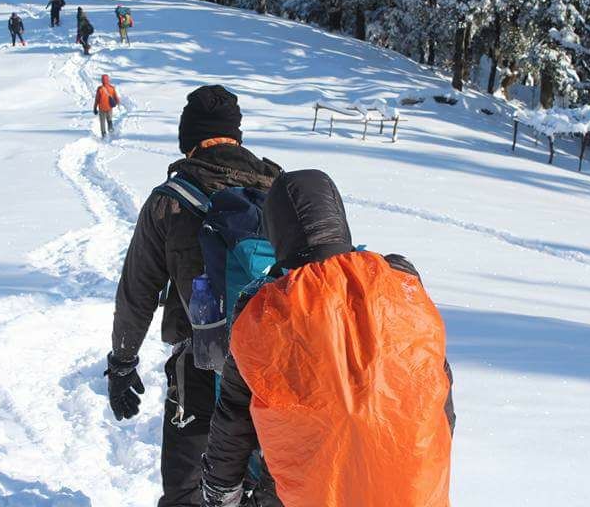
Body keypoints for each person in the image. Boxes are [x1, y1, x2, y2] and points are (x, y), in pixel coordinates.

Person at [200, 169, 456, 507]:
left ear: (276, 230)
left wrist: (220, 490)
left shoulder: (265, 308)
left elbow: (235, 414)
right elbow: (438, 394)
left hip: (303, 492)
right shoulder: (399, 284)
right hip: (412, 484)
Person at [106, 85, 281, 507]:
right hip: (274, 370)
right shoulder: (279, 192)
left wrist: (122, 363)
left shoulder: (170, 202)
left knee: (189, 489)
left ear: (189, 141)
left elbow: (137, 291)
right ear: (236, 136)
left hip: (202, 368)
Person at [93, 74, 119, 138]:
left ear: (102, 80)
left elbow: (97, 99)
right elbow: (116, 98)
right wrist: (116, 103)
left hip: (101, 108)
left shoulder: (100, 89)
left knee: (102, 122)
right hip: (109, 108)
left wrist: (95, 108)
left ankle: (104, 135)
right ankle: (111, 131)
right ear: (108, 80)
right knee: (109, 120)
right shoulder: (112, 88)